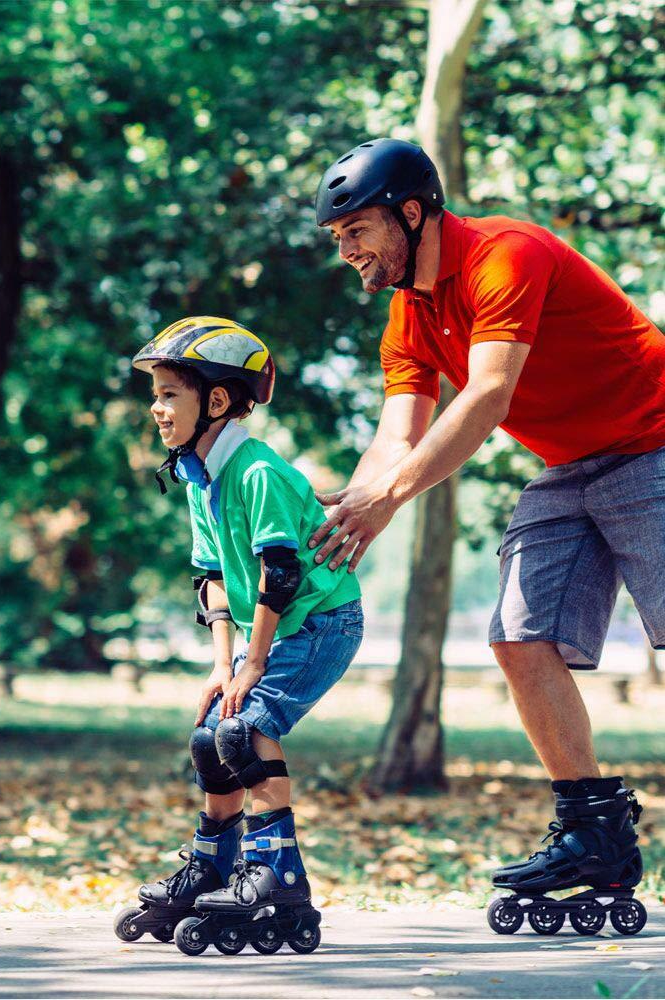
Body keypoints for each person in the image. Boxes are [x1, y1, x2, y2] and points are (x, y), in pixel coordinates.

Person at [311, 137, 662, 936]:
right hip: (573, 464)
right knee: (518, 635)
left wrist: (389, 499)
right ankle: (594, 837)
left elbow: (489, 397)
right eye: (338, 240)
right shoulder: (409, 315)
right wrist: (353, 507)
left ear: (410, 212)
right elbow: (397, 437)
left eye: (356, 231)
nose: (348, 253)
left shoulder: (507, 255)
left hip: (657, 440)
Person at [113, 316, 363, 955]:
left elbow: (279, 574)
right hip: (274, 631)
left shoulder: (255, 472)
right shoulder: (199, 473)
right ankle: (214, 869)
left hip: (322, 621)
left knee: (244, 733)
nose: (157, 407)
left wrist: (254, 663)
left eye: (171, 393)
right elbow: (214, 577)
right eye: (156, 394)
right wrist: (223, 666)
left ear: (217, 401)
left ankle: (279, 877)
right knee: (208, 738)